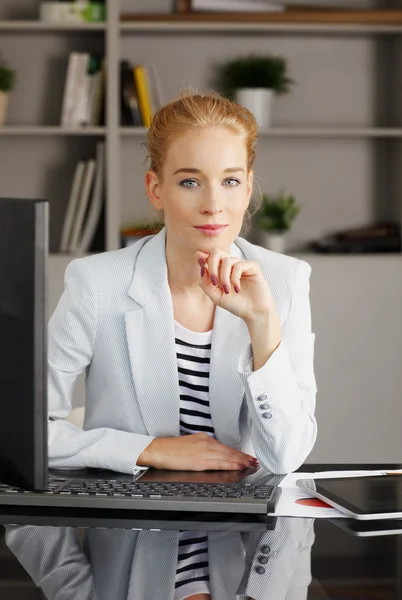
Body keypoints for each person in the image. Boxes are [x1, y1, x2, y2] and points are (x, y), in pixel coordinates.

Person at [47, 88, 317, 600]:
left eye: (230, 181)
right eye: (190, 181)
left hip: (247, 539)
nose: (214, 204)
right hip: (132, 538)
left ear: (248, 187)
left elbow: (287, 456)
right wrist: (149, 449)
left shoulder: (284, 281)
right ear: (155, 188)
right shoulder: (97, 282)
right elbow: (23, 432)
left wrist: (262, 322)